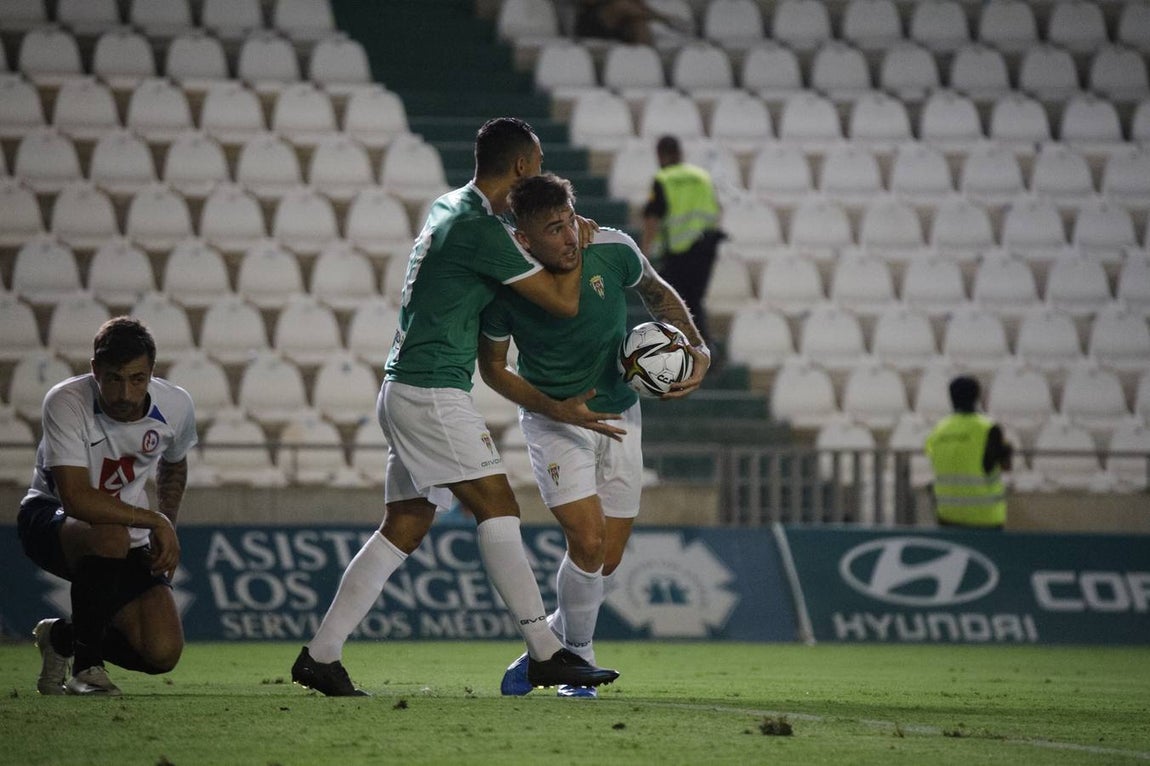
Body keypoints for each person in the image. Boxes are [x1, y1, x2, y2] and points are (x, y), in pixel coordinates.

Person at [290, 118, 619, 696]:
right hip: (431, 389)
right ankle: (544, 650)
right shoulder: (479, 229)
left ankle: (321, 655)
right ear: (521, 167)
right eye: (536, 165)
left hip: (404, 386)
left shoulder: (449, 207)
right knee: (498, 507)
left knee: (406, 524)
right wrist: (580, 241)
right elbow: (563, 303)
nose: (539, 175)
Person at [477, 173, 710, 698]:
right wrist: (556, 407)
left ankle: (547, 648)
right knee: (585, 538)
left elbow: (657, 292)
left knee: (606, 557)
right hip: (554, 419)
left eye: (567, 223)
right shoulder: (508, 283)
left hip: (622, 417)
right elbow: (493, 369)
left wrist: (700, 350)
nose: (566, 238)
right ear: (524, 238)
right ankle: (576, 663)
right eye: (552, 231)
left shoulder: (612, 247)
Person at [17, 317, 196, 696]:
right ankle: (87, 669)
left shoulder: (176, 406)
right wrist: (155, 521)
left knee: (160, 652)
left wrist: (168, 524)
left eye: (137, 379)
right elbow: (76, 498)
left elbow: (175, 462)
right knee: (110, 532)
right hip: (49, 519)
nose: (126, 394)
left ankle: (62, 638)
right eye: (114, 378)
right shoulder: (66, 401)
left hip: (124, 530)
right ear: (95, 370)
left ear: (151, 373)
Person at [641, 135, 724, 345]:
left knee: (674, 302)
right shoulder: (702, 176)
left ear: (660, 155)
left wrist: (644, 254)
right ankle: (704, 347)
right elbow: (717, 209)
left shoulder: (664, 178)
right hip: (707, 247)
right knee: (694, 300)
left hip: (680, 252)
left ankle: (689, 349)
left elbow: (652, 217)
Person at [924, 375, 1013, 530]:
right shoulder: (988, 428)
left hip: (947, 514)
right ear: (977, 396)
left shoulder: (938, 430)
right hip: (985, 517)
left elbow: (935, 460)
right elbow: (1006, 466)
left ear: (951, 397)